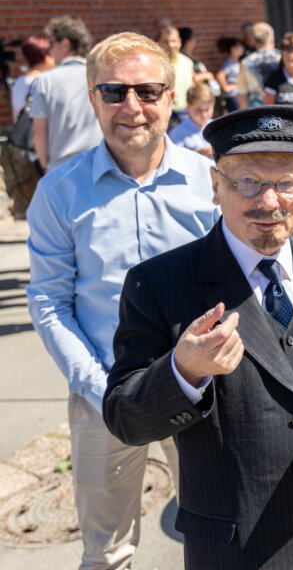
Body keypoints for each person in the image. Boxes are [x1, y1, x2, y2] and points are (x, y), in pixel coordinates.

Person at [103, 105, 293, 569]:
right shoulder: (158, 284)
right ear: (216, 186)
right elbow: (124, 417)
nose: (270, 202)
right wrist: (184, 372)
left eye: (287, 184)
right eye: (248, 183)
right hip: (242, 553)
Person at [26, 31, 219, 570]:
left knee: (219, 538)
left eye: (148, 91)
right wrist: (97, 388)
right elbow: (48, 301)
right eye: (114, 92)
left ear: (171, 96)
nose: (132, 107)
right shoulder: (60, 192)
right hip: (103, 394)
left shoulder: (210, 184)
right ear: (92, 99)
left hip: (201, 394)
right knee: (107, 554)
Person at [30, 15, 103, 172]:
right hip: (102, 165)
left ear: (65, 44)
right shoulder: (102, 75)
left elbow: (38, 132)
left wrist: (45, 166)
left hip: (62, 169)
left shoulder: (45, 81)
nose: (49, 50)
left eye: (51, 44)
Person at [158, 25, 202, 121]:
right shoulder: (156, 64)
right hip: (166, 115)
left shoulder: (188, 62)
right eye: (166, 42)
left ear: (179, 42)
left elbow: (192, 85)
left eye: (173, 41)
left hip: (186, 114)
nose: (170, 45)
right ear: (160, 43)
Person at [237, 22, 281, 108]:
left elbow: (242, 95)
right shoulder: (283, 58)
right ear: (272, 39)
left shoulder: (246, 62)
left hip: (258, 113)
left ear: (254, 41)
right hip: (283, 111)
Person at [11, 35, 54, 122]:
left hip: (25, 134)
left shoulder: (19, 82)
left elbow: (15, 117)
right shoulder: (46, 81)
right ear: (47, 58)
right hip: (44, 133)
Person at [168, 83, 215, 157]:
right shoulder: (178, 132)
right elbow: (174, 159)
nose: (204, 114)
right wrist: (199, 153)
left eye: (207, 109)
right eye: (199, 110)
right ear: (188, 107)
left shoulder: (216, 127)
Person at [216, 36, 244, 113]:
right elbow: (220, 75)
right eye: (239, 46)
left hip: (238, 95)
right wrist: (226, 87)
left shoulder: (237, 61)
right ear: (233, 48)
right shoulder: (228, 63)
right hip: (232, 96)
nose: (242, 48)